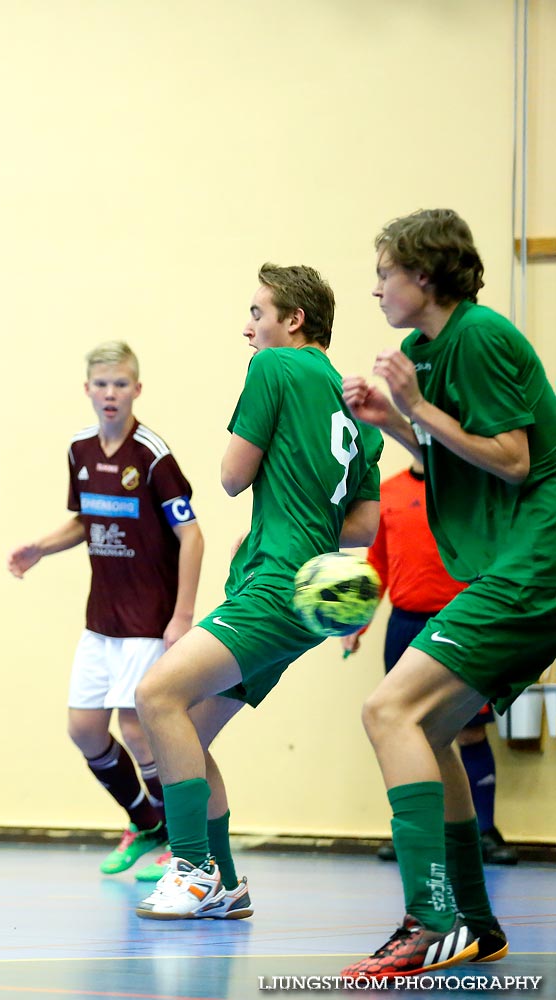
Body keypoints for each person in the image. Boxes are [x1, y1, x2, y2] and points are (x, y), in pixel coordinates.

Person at [340, 208, 556, 977]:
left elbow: (513, 461)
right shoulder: (418, 351)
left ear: (422, 277)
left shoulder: (484, 336)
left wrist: (418, 409)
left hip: (538, 558)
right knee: (427, 731)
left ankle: (428, 921)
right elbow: (449, 456)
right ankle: (470, 922)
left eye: (385, 274)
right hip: (512, 562)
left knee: (388, 709)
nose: (376, 289)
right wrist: (394, 422)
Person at [132, 264, 383, 922]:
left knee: (156, 696)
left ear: (293, 321)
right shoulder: (358, 406)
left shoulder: (276, 369)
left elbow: (232, 477)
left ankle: (188, 870)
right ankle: (228, 885)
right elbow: (364, 522)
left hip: (275, 581)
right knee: (187, 732)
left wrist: (268, 466)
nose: (249, 327)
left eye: (258, 312)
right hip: (310, 599)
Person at [7, 341, 203, 880]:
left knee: (139, 730)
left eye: (121, 384)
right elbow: (84, 520)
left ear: (136, 389)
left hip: (149, 619)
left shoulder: (153, 455)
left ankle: (182, 841)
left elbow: (191, 536)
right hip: (101, 620)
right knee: (85, 729)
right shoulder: (80, 449)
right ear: (88, 390)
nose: (111, 393)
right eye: (102, 384)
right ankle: (145, 822)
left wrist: (181, 617)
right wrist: (41, 548)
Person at [342, 460, 517, 866]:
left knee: (469, 732)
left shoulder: (473, 486)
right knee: (404, 730)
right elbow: (378, 567)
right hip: (405, 625)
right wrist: (358, 620)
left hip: (461, 622)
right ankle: (417, 831)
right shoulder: (387, 492)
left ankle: (483, 831)